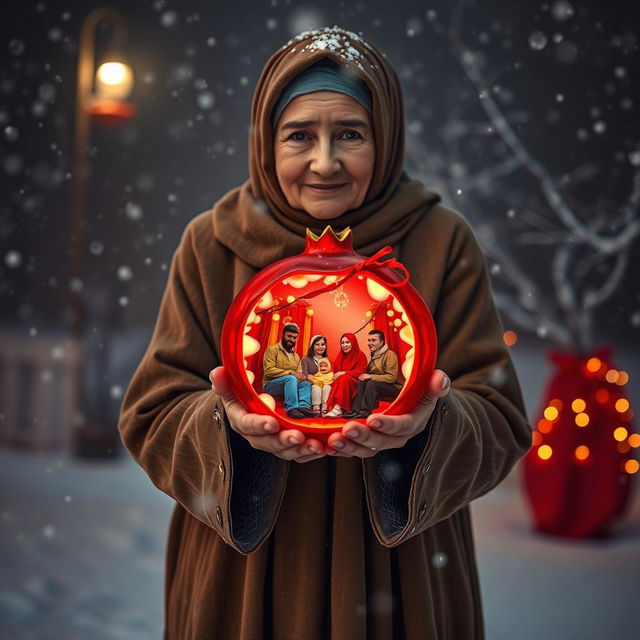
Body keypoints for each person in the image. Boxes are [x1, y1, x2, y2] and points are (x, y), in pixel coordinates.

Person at [118, 26, 532, 639]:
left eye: (350, 134)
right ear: (266, 141)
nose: (324, 161)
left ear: (384, 138)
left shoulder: (442, 240)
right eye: (299, 136)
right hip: (243, 583)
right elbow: (151, 414)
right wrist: (226, 428)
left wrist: (427, 428)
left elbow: (499, 417)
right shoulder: (212, 244)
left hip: (400, 579)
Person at [342, 329, 404, 419]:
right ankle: (356, 410)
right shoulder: (375, 355)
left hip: (395, 387)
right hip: (381, 384)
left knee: (371, 382)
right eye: (369, 340)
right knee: (363, 381)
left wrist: (370, 376)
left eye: (373, 340)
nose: (370, 343)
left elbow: (392, 378)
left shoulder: (390, 355)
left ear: (382, 342)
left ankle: (364, 412)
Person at [262, 323, 318, 419]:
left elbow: (297, 372)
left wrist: (302, 376)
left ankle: (304, 407)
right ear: (282, 335)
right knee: (291, 378)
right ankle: (292, 409)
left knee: (306, 383)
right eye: (289, 336)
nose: (292, 340)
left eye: (295, 337)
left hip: (289, 383)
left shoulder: (295, 356)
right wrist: (290, 372)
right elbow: (268, 370)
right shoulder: (272, 350)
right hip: (270, 385)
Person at [324, 332, 368, 418]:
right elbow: (335, 372)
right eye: (342, 343)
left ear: (353, 343)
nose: (344, 345)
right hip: (343, 382)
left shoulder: (360, 355)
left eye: (347, 342)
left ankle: (337, 409)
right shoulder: (340, 356)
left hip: (356, 382)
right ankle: (329, 408)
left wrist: (344, 373)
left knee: (344, 378)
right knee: (338, 379)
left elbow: (361, 372)